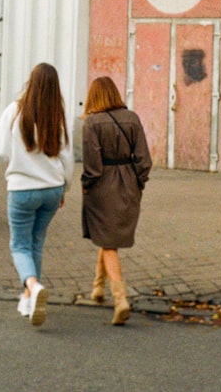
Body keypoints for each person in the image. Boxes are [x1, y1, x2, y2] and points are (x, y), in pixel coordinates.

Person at [0, 63, 73, 326]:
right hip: (52, 189)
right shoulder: (59, 116)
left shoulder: (15, 110)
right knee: (36, 243)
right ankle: (29, 298)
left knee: (20, 245)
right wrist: (64, 188)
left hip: (22, 190)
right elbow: (68, 157)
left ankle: (32, 285)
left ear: (31, 83)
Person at [80, 76, 152, 325]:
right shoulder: (132, 118)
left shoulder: (92, 123)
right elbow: (144, 159)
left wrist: (86, 187)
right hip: (128, 183)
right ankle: (97, 288)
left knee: (107, 241)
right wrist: (138, 183)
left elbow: (92, 166)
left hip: (102, 186)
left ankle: (120, 298)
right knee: (107, 237)